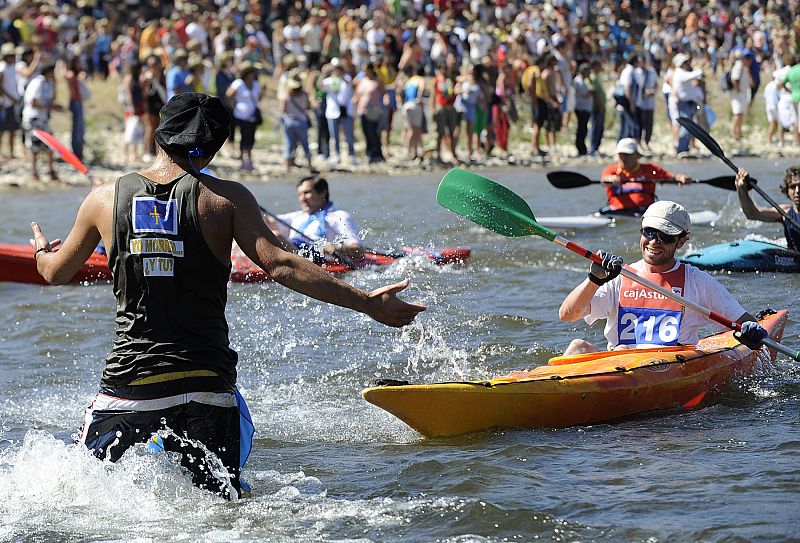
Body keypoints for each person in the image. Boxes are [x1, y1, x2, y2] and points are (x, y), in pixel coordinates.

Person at [28, 93, 425, 499]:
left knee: (82, 494)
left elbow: (54, 273)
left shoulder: (103, 198)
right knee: (223, 505)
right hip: (206, 383)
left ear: (159, 134)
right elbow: (283, 265)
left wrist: (42, 248)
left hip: (131, 383)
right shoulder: (226, 199)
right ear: (215, 147)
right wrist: (368, 303)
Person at [559, 200, 767, 355]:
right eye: (649, 232)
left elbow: (745, 323)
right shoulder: (618, 276)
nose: (654, 242)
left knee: (623, 349)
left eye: (665, 236)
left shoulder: (697, 281)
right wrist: (594, 278)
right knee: (578, 346)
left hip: (670, 367)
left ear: (681, 241)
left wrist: (752, 332)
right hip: (618, 364)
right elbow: (567, 315)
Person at [268, 175, 364, 260]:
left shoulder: (340, 217)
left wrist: (337, 248)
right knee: (270, 234)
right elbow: (268, 220)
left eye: (306, 193)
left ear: (322, 193)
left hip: (318, 259)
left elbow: (357, 250)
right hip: (296, 251)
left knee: (276, 236)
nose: (302, 199)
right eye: (299, 194)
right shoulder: (298, 216)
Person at [600, 138, 692, 214]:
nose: (623, 159)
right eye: (621, 155)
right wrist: (610, 179)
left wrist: (681, 178)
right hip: (617, 213)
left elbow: (670, 177)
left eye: (627, 155)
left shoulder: (651, 169)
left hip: (645, 213)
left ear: (636, 155)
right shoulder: (610, 171)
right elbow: (604, 180)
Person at [735, 166, 800, 252]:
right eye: (792, 187)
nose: (797, 191)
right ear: (787, 190)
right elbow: (752, 214)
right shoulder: (785, 212)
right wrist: (742, 189)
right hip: (793, 258)